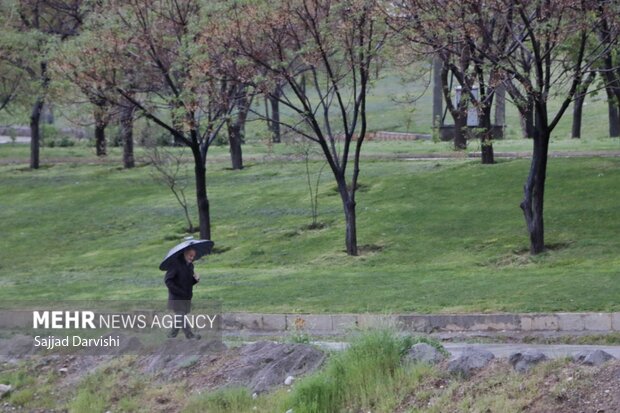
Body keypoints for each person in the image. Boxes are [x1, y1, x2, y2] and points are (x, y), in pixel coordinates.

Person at [164, 248, 201, 339]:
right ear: (185, 254)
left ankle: (171, 336)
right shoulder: (175, 264)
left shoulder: (190, 266)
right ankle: (190, 335)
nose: (192, 258)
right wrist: (178, 291)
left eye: (193, 256)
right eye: (190, 255)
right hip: (176, 296)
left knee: (179, 317)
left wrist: (195, 280)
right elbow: (168, 280)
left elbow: (188, 282)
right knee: (180, 315)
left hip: (186, 296)